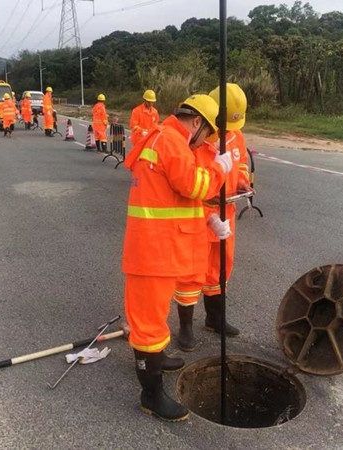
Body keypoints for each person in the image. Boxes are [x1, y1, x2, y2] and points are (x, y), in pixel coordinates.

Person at [123, 94, 234, 422]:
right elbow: (194, 185)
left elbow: (171, 199)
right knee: (148, 325)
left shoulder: (164, 139)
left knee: (152, 321)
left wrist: (208, 221)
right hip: (152, 254)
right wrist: (219, 169)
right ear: (197, 122)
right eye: (208, 134)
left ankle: (155, 358)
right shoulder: (171, 141)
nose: (206, 142)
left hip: (159, 249)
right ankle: (151, 395)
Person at [173, 83, 253, 352]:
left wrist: (242, 182)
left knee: (220, 268)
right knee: (190, 271)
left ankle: (215, 318)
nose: (229, 131)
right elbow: (185, 178)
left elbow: (241, 164)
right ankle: (185, 327)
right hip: (198, 212)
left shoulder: (235, 135)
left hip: (226, 210)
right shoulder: (196, 136)